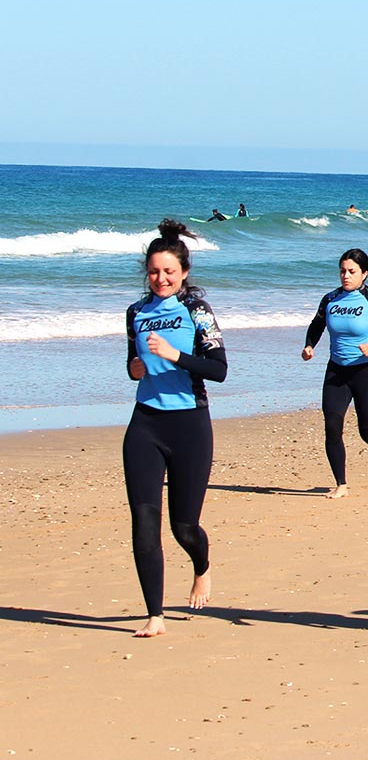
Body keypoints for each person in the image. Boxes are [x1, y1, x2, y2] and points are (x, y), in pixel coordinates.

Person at [122, 218, 228, 638]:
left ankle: (202, 566)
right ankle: (155, 614)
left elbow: (218, 369)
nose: (160, 278)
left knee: (183, 526)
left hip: (189, 424)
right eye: (153, 271)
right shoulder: (136, 312)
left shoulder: (196, 311)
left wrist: (175, 354)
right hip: (145, 423)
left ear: (183, 272)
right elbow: (134, 366)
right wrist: (134, 369)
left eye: (168, 271)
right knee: (143, 521)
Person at [302, 249, 368, 498]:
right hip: (336, 371)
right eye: (342, 271)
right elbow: (317, 325)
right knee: (332, 426)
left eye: (352, 271)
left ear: (364, 274)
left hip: (367, 371)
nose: (345, 276)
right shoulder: (330, 300)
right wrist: (309, 345)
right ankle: (341, 484)